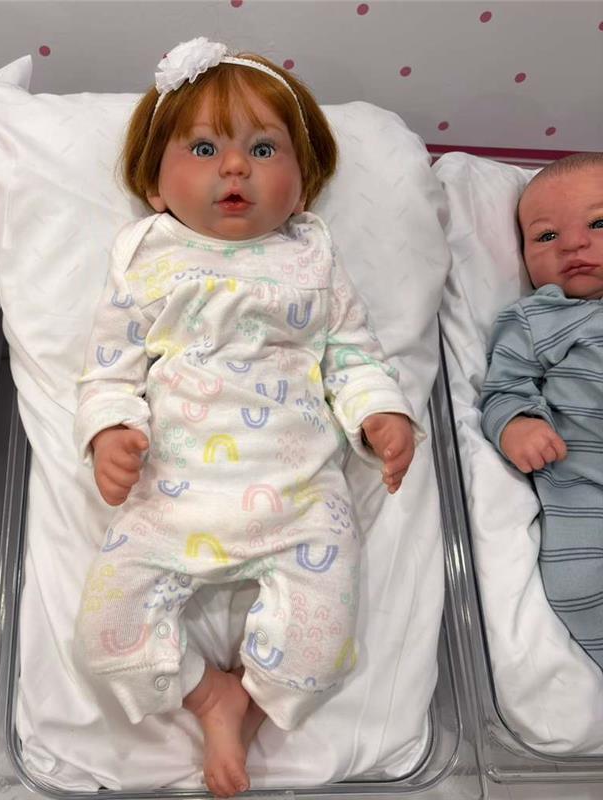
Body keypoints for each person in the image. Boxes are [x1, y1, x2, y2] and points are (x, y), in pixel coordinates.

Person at [74, 39, 422, 797]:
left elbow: (353, 353)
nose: (235, 167)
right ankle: (209, 697)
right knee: (105, 637)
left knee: (323, 647)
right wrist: (109, 432)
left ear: (301, 186)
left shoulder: (312, 256)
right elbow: (109, 367)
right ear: (155, 184)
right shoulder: (148, 256)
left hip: (299, 495)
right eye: (204, 149)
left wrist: (380, 414)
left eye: (263, 150)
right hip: (171, 490)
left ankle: (252, 706)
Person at [480, 152, 603, 671]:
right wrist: (517, 425)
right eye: (547, 236)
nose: (573, 244)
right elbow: (502, 389)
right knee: (577, 586)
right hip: (587, 493)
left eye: (598, 224)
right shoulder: (537, 318)